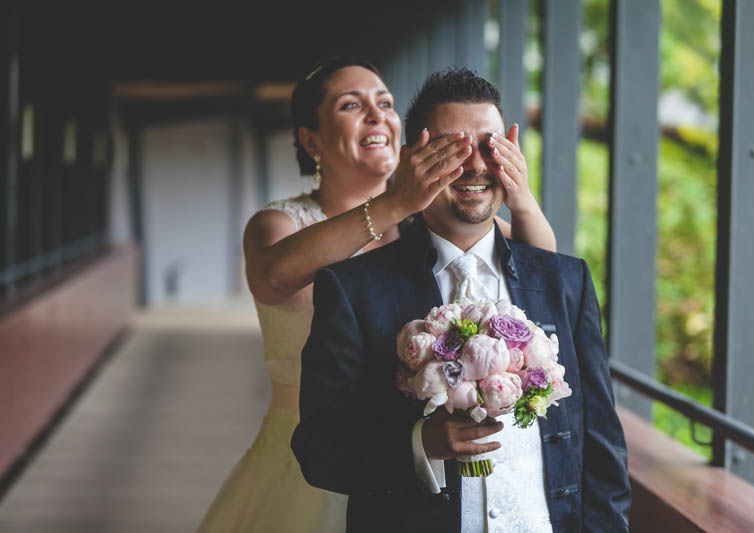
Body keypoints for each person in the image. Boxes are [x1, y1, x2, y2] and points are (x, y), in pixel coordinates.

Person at [197, 57, 556, 533]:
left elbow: (544, 275)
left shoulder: (431, 221)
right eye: (352, 105)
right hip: (313, 452)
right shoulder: (280, 223)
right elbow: (274, 279)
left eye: (385, 103)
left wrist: (520, 194)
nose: (376, 115)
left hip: (411, 448)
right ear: (312, 141)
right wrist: (396, 203)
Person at [292, 68, 631, 533]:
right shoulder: (353, 290)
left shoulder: (564, 280)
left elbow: (602, 442)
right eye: (453, 149)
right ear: (412, 159)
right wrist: (420, 443)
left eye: (489, 147)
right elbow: (318, 449)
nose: (475, 166)